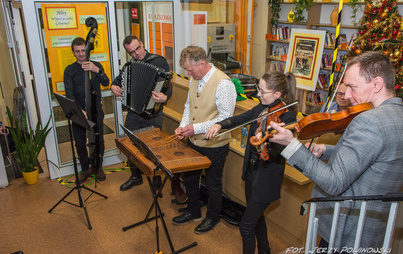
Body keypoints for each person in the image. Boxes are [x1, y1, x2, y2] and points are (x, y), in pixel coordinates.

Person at [269, 51, 403, 250]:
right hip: (374, 225)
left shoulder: (369, 121)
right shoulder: (397, 113)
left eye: (352, 87)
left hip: (348, 230)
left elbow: (334, 183)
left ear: (377, 84)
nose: (347, 95)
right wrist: (326, 149)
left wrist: (292, 145)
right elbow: (374, 156)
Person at [206, 71, 297, 253]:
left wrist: (265, 141)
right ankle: (265, 250)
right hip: (251, 172)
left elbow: (275, 155)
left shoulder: (287, 119)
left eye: (262, 91)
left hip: (266, 178)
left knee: (246, 226)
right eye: (258, 89)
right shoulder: (261, 109)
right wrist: (220, 125)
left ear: (277, 94)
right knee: (256, 218)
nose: (258, 95)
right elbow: (241, 119)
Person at [171, 45, 236, 234]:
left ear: (202, 63)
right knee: (190, 180)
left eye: (190, 70)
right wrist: (183, 125)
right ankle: (193, 211)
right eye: (186, 70)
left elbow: (226, 119)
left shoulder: (224, 83)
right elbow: (188, 105)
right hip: (194, 140)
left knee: (213, 184)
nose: (189, 73)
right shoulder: (194, 77)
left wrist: (195, 128)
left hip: (215, 144)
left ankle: (213, 218)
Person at [111, 35, 171, 191]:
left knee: (154, 147)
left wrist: (165, 97)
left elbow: (168, 86)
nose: (136, 54)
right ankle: (135, 177)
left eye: (137, 48)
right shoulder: (129, 66)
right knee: (130, 145)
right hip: (134, 112)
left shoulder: (159, 61)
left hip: (153, 113)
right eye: (132, 52)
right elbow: (118, 81)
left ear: (142, 44)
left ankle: (156, 179)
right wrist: (113, 87)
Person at [64, 37, 110, 183]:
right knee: (79, 142)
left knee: (98, 140)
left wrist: (97, 70)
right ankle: (85, 169)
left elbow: (106, 82)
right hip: (79, 111)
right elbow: (69, 93)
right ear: (73, 52)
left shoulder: (95, 65)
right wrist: (78, 110)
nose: (81, 54)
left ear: (88, 49)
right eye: (77, 51)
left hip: (95, 109)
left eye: (83, 50)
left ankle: (98, 168)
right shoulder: (70, 70)